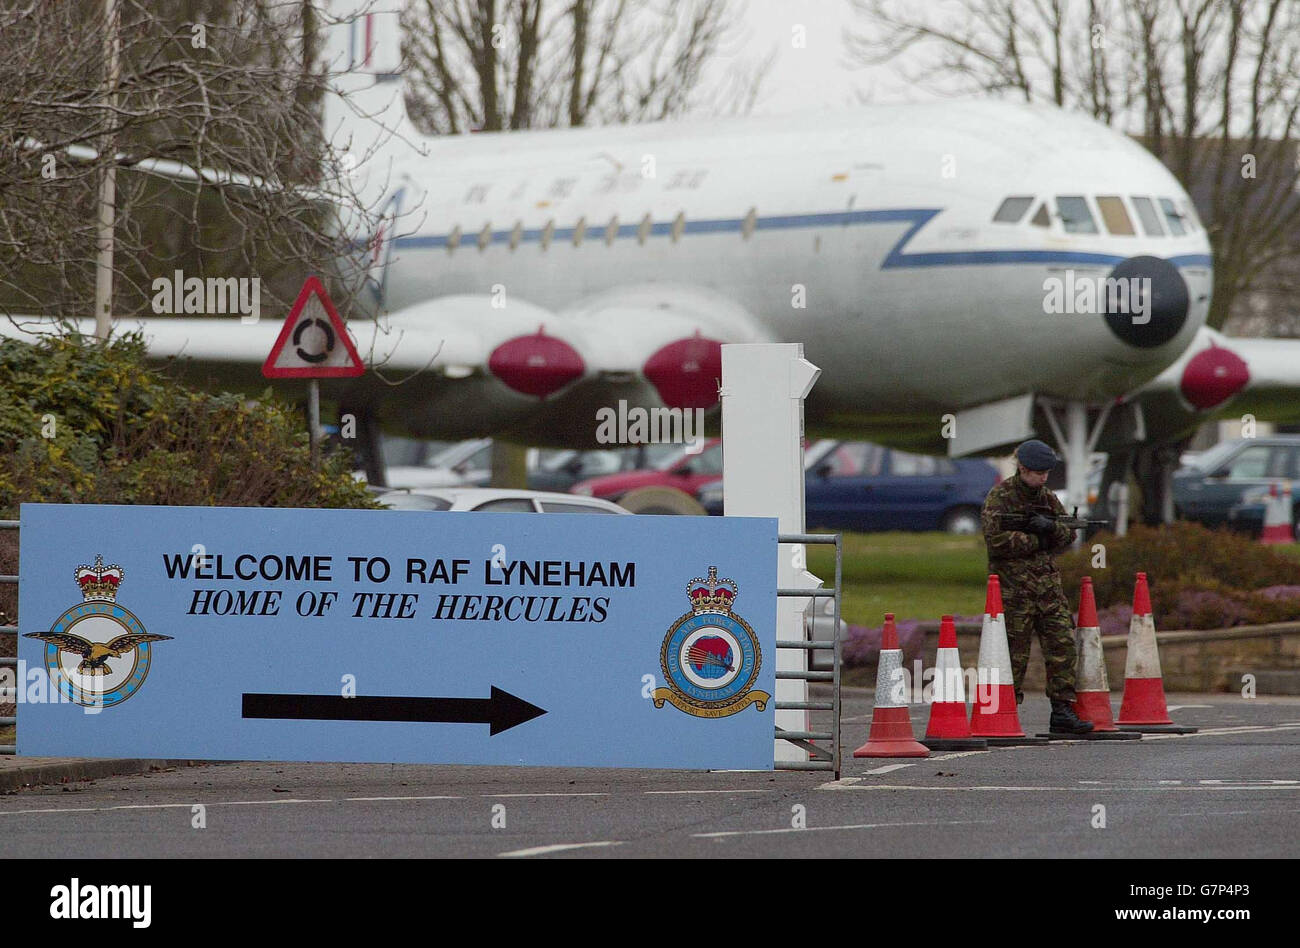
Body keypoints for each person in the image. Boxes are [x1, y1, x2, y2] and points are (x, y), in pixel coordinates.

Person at [981, 439, 1094, 734]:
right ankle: (1003, 712)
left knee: (1063, 646)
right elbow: (996, 541)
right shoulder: (1001, 497)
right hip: (1013, 590)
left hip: (1047, 588)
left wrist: (1050, 528)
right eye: (1037, 472)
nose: (1042, 478)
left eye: (1046, 473)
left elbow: (1068, 534)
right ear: (1022, 468)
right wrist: (1036, 539)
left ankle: (1062, 710)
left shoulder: (1047, 498)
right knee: (1012, 655)